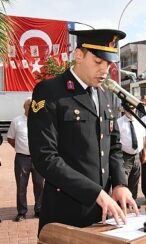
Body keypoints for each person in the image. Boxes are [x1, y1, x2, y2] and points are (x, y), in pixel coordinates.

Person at [27, 29, 139, 234]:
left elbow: (113, 147)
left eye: (108, 64)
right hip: (66, 213)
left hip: (104, 214)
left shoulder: (106, 96)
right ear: (79, 55)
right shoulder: (50, 91)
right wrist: (94, 192)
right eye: (98, 62)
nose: (104, 70)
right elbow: (45, 157)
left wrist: (120, 184)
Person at [7, 98, 44, 222]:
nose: (31, 107)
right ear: (24, 107)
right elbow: (11, 139)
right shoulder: (16, 121)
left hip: (38, 159)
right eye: (28, 105)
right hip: (22, 158)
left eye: (33, 105)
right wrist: (21, 149)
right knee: (21, 186)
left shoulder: (41, 121)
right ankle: (22, 212)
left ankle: (38, 209)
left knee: (39, 185)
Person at [117, 105, 146, 203]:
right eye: (128, 109)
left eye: (133, 108)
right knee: (123, 182)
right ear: (124, 109)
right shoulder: (119, 122)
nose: (131, 111)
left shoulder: (139, 121)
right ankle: (122, 204)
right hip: (124, 156)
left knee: (135, 181)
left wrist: (144, 152)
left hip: (137, 155)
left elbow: (143, 137)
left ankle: (132, 202)